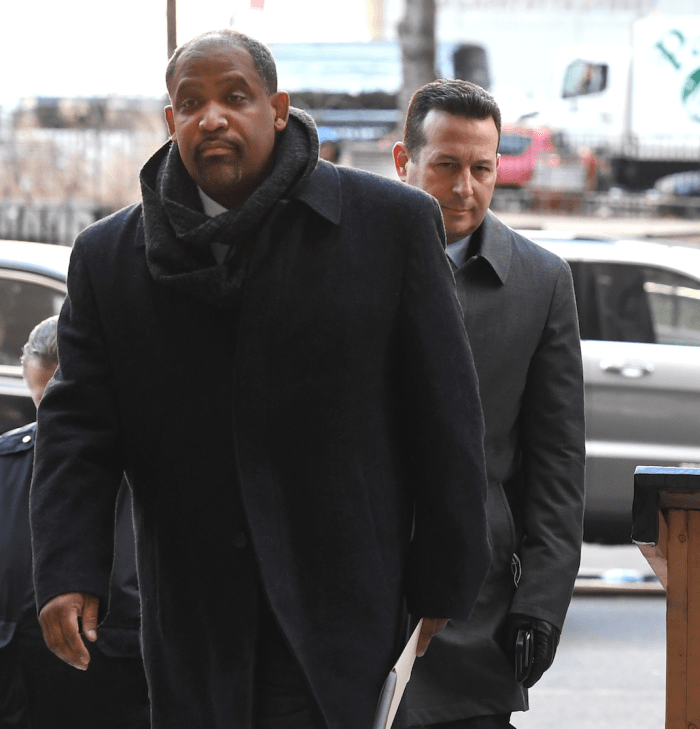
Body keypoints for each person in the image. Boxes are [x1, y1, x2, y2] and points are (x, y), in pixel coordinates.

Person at [29, 29, 490, 729]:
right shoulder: (108, 258)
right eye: (191, 103)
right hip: (196, 618)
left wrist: (442, 583)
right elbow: (77, 430)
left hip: (342, 607)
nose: (211, 117)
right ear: (171, 121)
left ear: (277, 110)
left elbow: (446, 416)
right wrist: (67, 568)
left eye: (235, 97)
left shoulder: (389, 225)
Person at [392, 79, 585, 729]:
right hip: (353, 588)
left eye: (482, 169)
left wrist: (543, 601)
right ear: (404, 160)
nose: (465, 188)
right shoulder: (344, 264)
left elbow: (558, 459)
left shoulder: (541, 281)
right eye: (446, 165)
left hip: (477, 602)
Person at [0, 317, 148, 729]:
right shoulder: (6, 465)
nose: (56, 426)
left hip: (119, 700)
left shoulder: (153, 473)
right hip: (23, 701)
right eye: (43, 406)